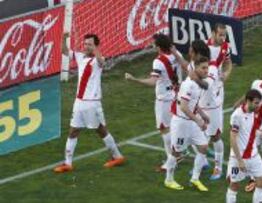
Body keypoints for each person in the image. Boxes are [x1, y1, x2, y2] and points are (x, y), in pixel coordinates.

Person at [54, 33, 125, 173]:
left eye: (90, 44)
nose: (86, 46)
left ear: (95, 46)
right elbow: (64, 51)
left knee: (101, 130)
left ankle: (117, 156)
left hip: (92, 103)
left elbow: (102, 62)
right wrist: (63, 38)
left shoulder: (98, 61)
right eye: (85, 44)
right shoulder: (80, 57)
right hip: (79, 102)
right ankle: (68, 163)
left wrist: (96, 50)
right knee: (73, 131)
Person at [125, 34, 182, 172]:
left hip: (164, 99)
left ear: (159, 47)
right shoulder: (176, 54)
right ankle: (176, 155)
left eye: (154, 44)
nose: (153, 46)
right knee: (173, 126)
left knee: (164, 128)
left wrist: (134, 79)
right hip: (176, 94)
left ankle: (172, 159)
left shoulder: (158, 61)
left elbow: (152, 81)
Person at [164, 56, 210, 192]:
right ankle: (169, 179)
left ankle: (195, 178)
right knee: (176, 152)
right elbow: (184, 107)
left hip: (192, 122)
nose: (206, 70)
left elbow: (193, 103)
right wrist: (198, 120)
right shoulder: (188, 84)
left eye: (207, 67)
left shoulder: (198, 83)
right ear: (195, 68)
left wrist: (202, 114)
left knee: (203, 146)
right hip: (182, 123)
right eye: (203, 68)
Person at [226, 89, 262, 203]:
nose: (258, 105)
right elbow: (232, 138)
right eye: (256, 103)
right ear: (248, 101)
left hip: (253, 155)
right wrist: (239, 161)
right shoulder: (237, 116)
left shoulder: (253, 112)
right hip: (238, 158)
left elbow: (249, 130)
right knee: (234, 186)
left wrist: (260, 132)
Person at [205, 23, 233, 180]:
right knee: (198, 130)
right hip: (202, 93)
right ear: (213, 33)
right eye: (220, 35)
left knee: (215, 133)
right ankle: (202, 161)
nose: (223, 38)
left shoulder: (225, 47)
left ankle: (218, 168)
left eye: (224, 35)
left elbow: (228, 63)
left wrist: (227, 73)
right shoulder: (203, 47)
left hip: (216, 94)